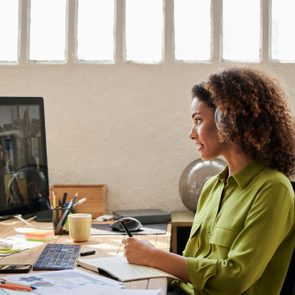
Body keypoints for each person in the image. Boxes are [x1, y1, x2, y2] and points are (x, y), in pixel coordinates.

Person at [122, 67, 295, 295]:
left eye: (198, 120)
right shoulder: (212, 187)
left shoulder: (273, 189)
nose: (191, 134)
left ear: (228, 120)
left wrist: (154, 257)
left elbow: (235, 278)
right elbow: (191, 265)